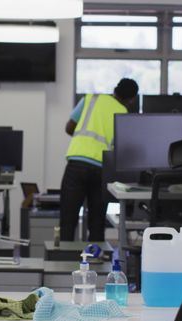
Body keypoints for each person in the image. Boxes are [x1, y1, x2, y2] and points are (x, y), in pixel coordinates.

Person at [59, 78, 139, 241]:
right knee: (97, 223)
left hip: (77, 164)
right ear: (132, 99)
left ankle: (63, 262)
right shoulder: (123, 113)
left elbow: (69, 127)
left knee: (68, 219)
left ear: (115, 89)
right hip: (102, 170)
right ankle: (96, 261)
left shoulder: (91, 98)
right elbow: (121, 147)